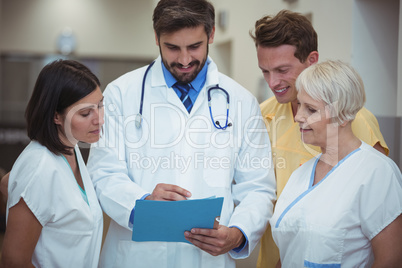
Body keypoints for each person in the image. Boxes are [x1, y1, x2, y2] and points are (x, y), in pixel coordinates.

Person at [86, 0, 276, 267]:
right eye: (172, 47)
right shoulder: (121, 94)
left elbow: (257, 186)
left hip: (206, 259)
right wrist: (142, 203)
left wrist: (237, 233)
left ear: (211, 35)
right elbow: (103, 172)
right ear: (156, 38)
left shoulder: (241, 101)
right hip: (138, 258)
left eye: (194, 46)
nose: (184, 60)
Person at [249, 10, 389, 268]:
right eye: (265, 71)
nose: (272, 82)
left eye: (282, 70)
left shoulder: (355, 119)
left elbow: (380, 214)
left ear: (311, 60)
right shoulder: (262, 116)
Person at [270, 59, 402, 267]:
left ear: (342, 116)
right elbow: (291, 250)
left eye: (311, 110)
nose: (298, 117)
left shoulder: (376, 173)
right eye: (300, 106)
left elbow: (391, 259)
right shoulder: (301, 175)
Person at [0, 59, 104, 268]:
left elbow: (8, 183)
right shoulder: (40, 166)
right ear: (56, 116)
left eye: (100, 105)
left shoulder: (70, 148)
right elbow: (13, 262)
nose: (99, 119)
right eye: (85, 113)